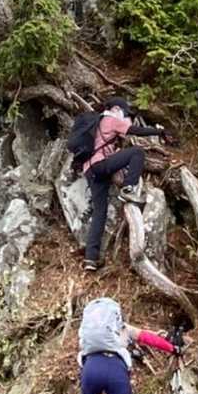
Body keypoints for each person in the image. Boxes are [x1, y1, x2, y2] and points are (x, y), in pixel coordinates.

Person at [82, 97, 170, 271]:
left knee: (100, 212)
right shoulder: (110, 119)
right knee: (137, 152)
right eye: (125, 112)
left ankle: (90, 258)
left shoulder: (97, 122)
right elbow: (135, 131)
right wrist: (159, 132)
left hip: (90, 170)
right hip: (101, 165)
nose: (125, 116)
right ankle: (128, 188)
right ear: (116, 109)